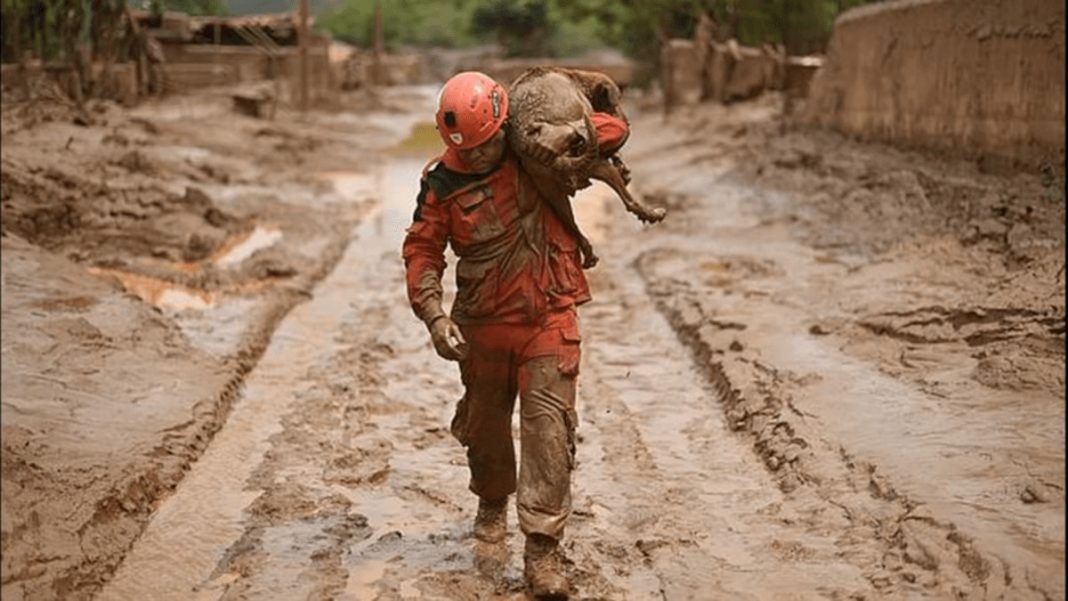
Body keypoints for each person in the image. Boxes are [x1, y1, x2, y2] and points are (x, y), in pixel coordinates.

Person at [401, 71, 628, 600]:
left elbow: (609, 131)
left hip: (549, 318)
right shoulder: (440, 183)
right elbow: (423, 251)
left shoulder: (536, 150)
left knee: (549, 432)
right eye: (469, 151)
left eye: (487, 146)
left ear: (505, 125)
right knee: (486, 434)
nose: (479, 158)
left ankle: (542, 551)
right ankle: (491, 499)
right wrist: (434, 315)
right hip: (482, 328)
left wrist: (572, 99)